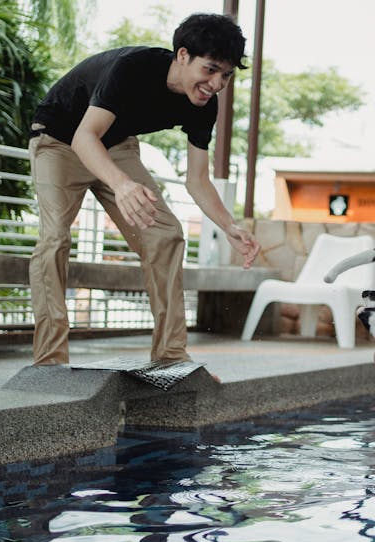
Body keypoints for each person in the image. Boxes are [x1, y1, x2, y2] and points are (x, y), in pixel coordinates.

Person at [27, 13, 260, 366]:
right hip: (59, 138)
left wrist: (230, 227)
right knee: (55, 238)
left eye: (225, 75)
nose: (216, 84)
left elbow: (197, 179)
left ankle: (170, 355)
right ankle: (50, 360)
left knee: (166, 235)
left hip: (115, 145)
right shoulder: (131, 68)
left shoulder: (203, 105)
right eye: (210, 70)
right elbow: (83, 137)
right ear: (183, 56)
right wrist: (121, 185)